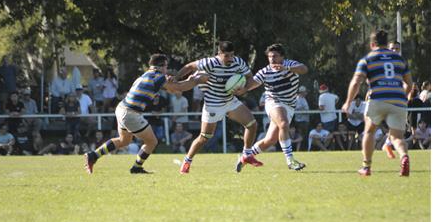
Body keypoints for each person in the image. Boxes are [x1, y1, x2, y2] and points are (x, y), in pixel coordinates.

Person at [84, 53, 207, 174]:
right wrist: (196, 80)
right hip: (130, 113)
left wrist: (172, 83)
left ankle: (93, 155)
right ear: (160, 66)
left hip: (122, 109)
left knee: (124, 141)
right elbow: (179, 88)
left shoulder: (146, 75)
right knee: (152, 142)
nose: (166, 69)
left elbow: (171, 89)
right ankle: (136, 168)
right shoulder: (158, 76)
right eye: (165, 66)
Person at [175, 41, 262, 174]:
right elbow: (189, 66)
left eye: (232, 55)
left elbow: (250, 77)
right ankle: (187, 161)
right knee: (205, 137)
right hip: (213, 104)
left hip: (230, 101)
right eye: (226, 56)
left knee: (252, 124)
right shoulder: (210, 63)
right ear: (219, 54)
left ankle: (247, 155)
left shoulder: (238, 62)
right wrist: (176, 78)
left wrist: (244, 89)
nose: (230, 59)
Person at [342, 29, 413, 176]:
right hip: (398, 100)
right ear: (387, 44)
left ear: (372, 44)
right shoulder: (399, 59)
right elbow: (409, 85)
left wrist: (348, 102)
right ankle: (404, 157)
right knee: (397, 137)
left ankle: (366, 167)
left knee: (369, 131)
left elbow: (356, 83)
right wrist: (402, 98)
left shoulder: (368, 59)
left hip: (377, 99)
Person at [238, 43, 308, 171]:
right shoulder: (265, 71)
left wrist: (286, 68)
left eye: (275, 56)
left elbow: (304, 69)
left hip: (290, 105)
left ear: (282, 57)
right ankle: (290, 160)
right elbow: (252, 83)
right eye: (270, 57)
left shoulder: (289, 64)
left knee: (270, 140)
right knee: (284, 123)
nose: (272, 59)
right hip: (273, 102)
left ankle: (245, 156)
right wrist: (240, 89)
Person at [294, 86, 310, 150]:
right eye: (305, 92)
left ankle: (304, 149)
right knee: (300, 135)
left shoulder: (304, 99)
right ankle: (300, 149)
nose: (306, 93)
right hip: (299, 121)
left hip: (305, 120)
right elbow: (297, 108)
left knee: (305, 135)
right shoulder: (297, 99)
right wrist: (303, 109)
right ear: (302, 92)